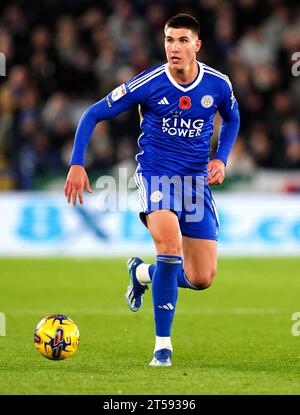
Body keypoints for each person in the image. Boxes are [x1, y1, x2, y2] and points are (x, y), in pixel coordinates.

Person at [64, 13, 240, 367]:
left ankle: (141, 273)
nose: (174, 48)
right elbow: (92, 114)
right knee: (169, 246)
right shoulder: (149, 82)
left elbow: (233, 117)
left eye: (182, 41)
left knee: (201, 278)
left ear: (197, 45)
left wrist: (220, 158)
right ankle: (163, 347)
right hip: (157, 178)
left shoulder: (218, 85)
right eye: (169, 40)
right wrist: (77, 163)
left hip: (195, 184)